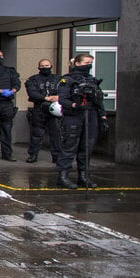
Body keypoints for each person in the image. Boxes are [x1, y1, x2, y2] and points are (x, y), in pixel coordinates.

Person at [56, 53, 108, 189]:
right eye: (86, 62)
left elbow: (99, 101)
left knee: (87, 147)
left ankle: (83, 176)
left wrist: (103, 117)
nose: (89, 65)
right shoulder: (67, 80)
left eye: (91, 62)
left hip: (90, 115)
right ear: (77, 63)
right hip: (73, 115)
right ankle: (63, 176)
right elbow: (62, 99)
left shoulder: (92, 80)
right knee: (69, 146)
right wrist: (76, 105)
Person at [24, 58, 62, 164]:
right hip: (39, 109)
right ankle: (33, 155)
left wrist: (58, 97)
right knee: (37, 133)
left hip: (55, 109)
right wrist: (46, 98)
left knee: (56, 134)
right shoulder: (33, 79)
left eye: (47, 65)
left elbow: (65, 91)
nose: (45, 67)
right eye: (42, 66)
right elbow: (32, 93)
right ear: (39, 67)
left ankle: (57, 156)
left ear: (51, 66)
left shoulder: (58, 79)